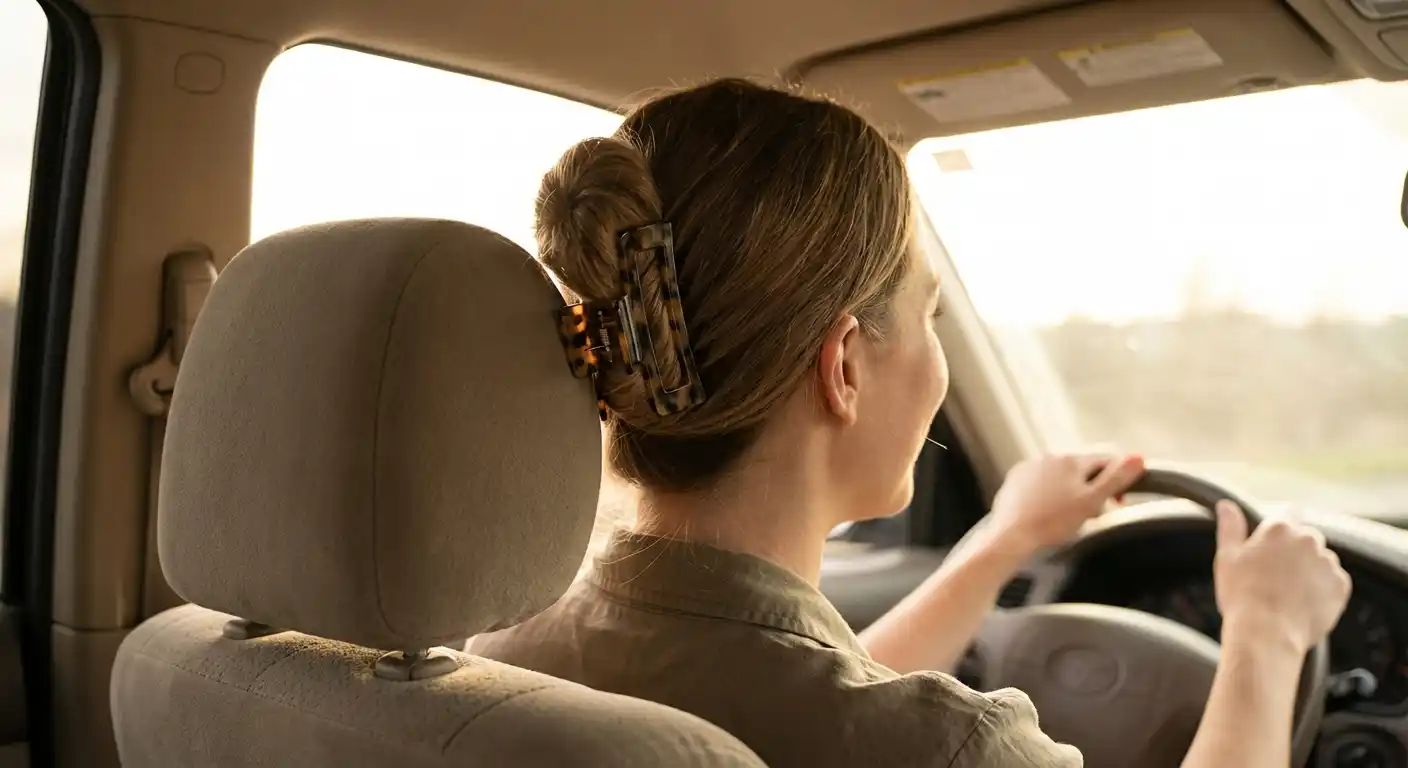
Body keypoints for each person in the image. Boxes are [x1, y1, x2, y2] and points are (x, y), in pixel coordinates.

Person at [472, 78, 1351, 767]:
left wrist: (1003, 541)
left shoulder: (506, 649)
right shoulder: (947, 749)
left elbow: (806, 681)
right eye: (929, 316)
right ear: (845, 367)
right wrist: (1267, 635)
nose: (940, 359)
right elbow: (834, 704)